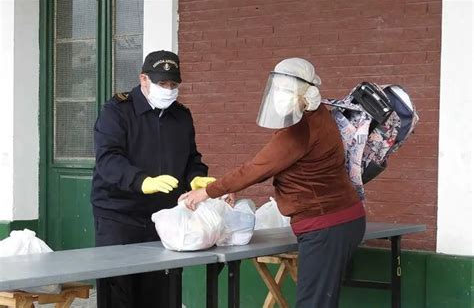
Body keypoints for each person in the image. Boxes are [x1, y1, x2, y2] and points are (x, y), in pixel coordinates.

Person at [179, 58, 366, 308]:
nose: (279, 96)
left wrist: (207, 192)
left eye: (287, 90)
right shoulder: (320, 115)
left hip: (326, 225)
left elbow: (257, 168)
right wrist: (231, 188)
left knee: (313, 304)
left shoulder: (300, 129)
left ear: (308, 93)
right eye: (277, 89)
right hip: (340, 220)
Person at [90, 50, 215, 308]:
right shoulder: (117, 110)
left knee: (160, 291)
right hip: (119, 215)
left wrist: (196, 178)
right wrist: (141, 181)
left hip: (164, 216)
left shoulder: (181, 115)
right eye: (162, 83)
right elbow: (108, 159)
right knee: (119, 291)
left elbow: (191, 157)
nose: (168, 89)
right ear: (144, 79)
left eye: (173, 84)